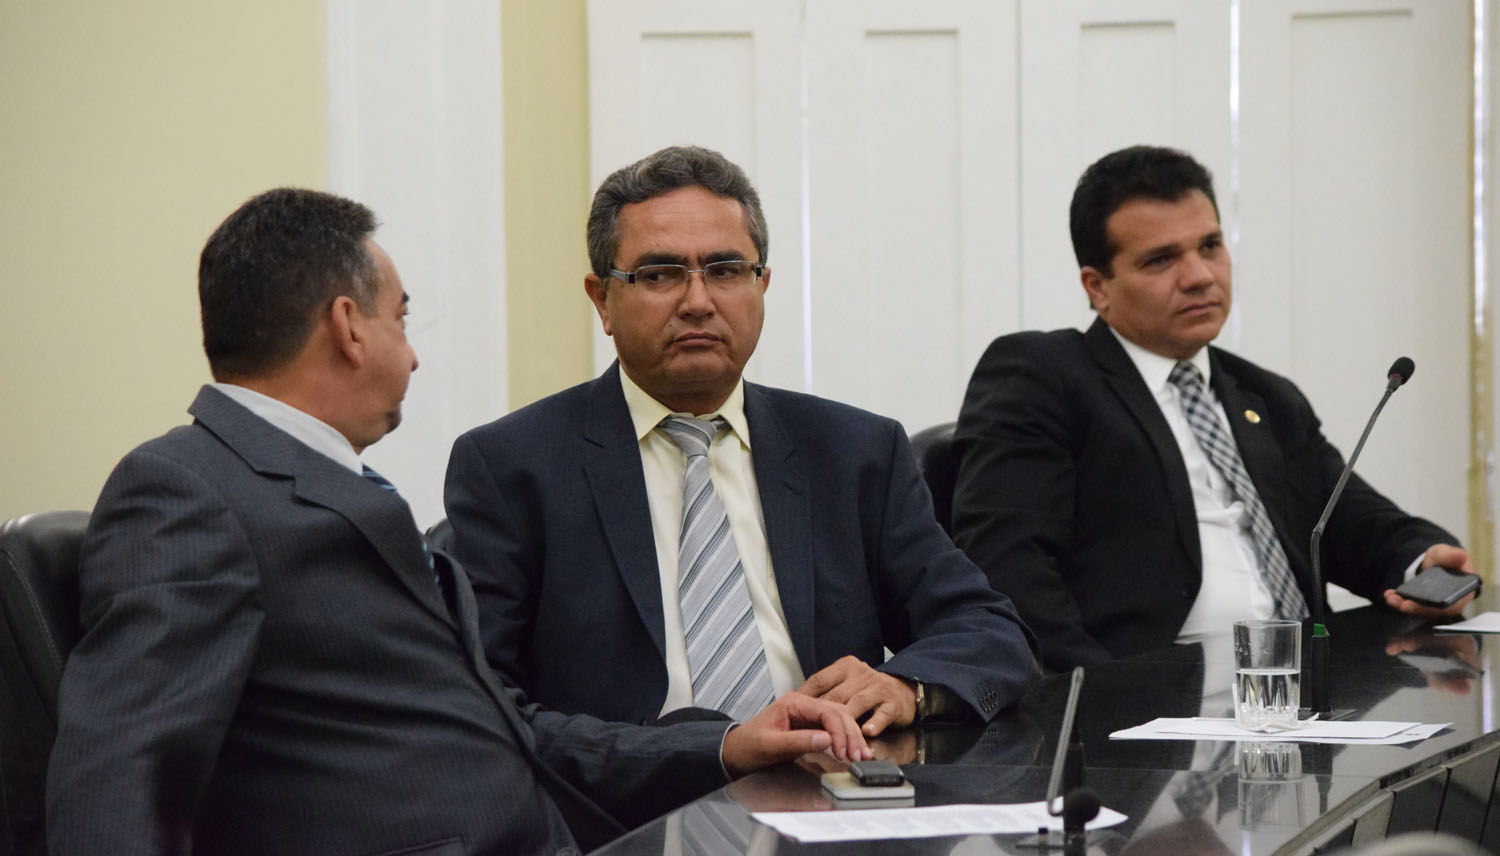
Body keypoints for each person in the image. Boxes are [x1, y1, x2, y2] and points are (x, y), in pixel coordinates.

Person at [46, 188, 869, 856]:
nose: (413, 356)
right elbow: (123, 766)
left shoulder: (323, 486)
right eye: (401, 319)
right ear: (346, 327)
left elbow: (510, 733)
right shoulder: (186, 489)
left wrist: (725, 745)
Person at [445, 145, 1037, 737]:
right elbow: (482, 701)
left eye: (726, 271)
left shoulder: (855, 451)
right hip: (624, 808)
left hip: (829, 785)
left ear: (762, 286)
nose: (698, 302)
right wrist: (710, 753)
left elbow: (987, 629)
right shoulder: (512, 466)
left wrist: (907, 688)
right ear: (602, 299)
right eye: (658, 275)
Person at [950, 145, 1476, 673]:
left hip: (1302, 688)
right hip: (1148, 698)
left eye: (1210, 246)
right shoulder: (1044, 376)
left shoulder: (1264, 395)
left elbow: (1349, 522)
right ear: (1098, 287)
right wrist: (1097, 698)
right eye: (1161, 259)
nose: (1200, 275)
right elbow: (1010, 569)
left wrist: (1423, 560)